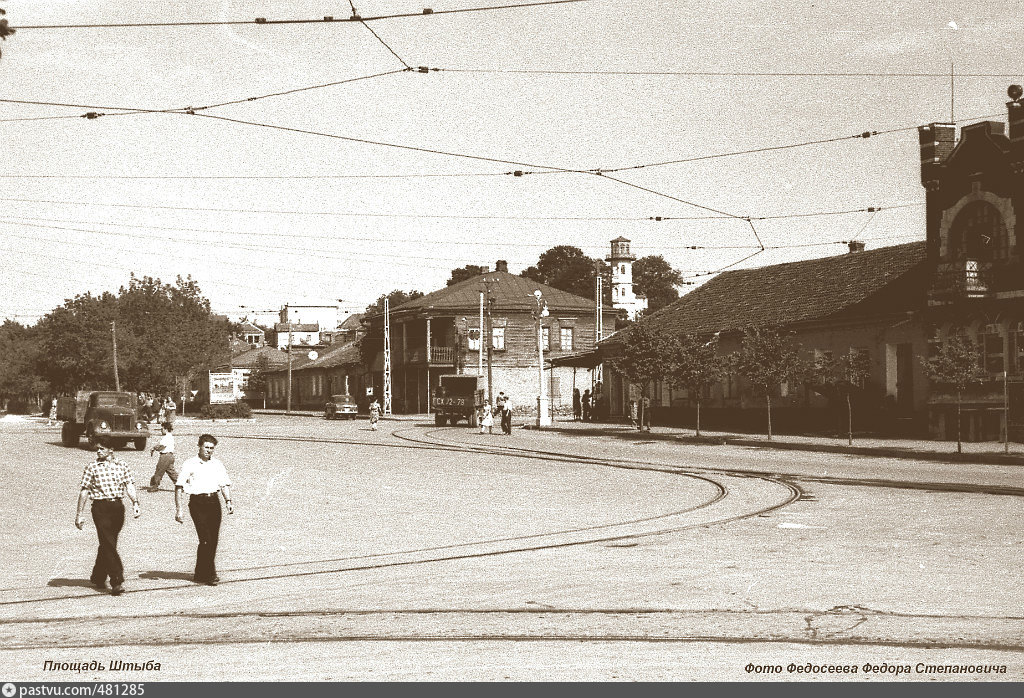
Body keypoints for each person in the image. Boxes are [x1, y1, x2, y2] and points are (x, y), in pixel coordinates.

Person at [75, 439, 141, 596]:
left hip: (117, 507)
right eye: (97, 449)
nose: (98, 451)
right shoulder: (92, 467)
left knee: (108, 543)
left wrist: (135, 503)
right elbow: (84, 490)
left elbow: (129, 485)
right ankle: (116, 580)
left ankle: (98, 576)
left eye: (102, 448)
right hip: (100, 508)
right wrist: (79, 514)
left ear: (111, 449)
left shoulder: (122, 465)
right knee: (108, 543)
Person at [175, 434, 233, 586]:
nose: (209, 451)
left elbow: (224, 484)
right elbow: (179, 486)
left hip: (214, 502)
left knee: (212, 540)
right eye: (206, 447)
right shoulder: (190, 464)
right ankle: (209, 574)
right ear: (199, 446)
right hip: (197, 503)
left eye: (212, 448)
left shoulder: (217, 464)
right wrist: (179, 509)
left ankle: (200, 573)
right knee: (205, 539)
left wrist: (228, 501)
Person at [148, 421, 177, 491]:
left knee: (159, 471)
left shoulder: (166, 437)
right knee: (171, 472)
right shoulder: (170, 437)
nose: (161, 430)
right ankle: (181, 484)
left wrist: (154, 448)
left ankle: (154, 486)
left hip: (165, 456)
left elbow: (162, 446)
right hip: (170, 456)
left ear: (166, 429)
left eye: (162, 429)